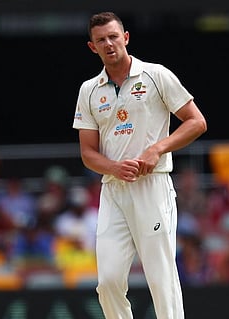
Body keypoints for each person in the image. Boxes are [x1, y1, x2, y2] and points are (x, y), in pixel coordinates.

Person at [72, 12, 207, 319]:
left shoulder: (156, 75)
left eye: (113, 37)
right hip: (114, 189)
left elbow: (197, 122)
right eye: (101, 40)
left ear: (126, 38)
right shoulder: (89, 90)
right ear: (92, 47)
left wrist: (157, 149)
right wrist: (114, 168)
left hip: (153, 185)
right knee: (107, 281)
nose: (108, 44)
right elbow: (87, 153)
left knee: (161, 276)